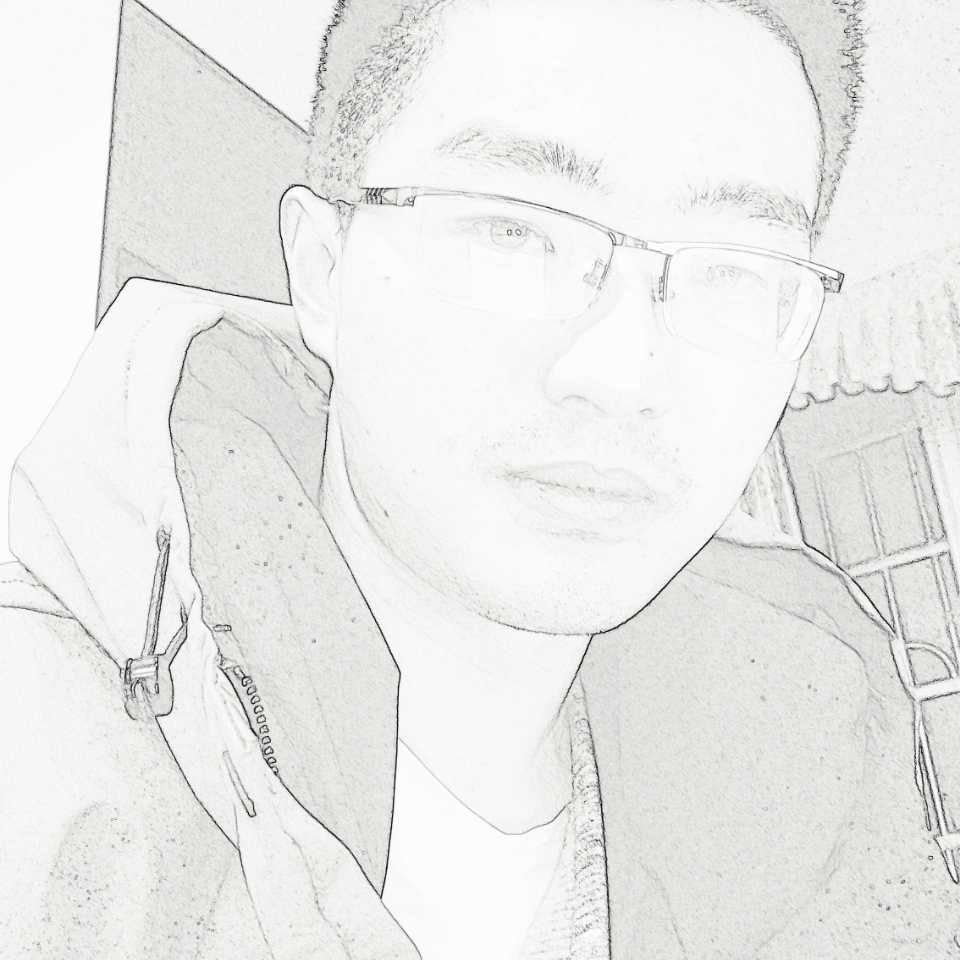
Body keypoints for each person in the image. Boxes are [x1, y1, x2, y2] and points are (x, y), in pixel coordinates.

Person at [3, 0, 957, 957]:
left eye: (736, 270)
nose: (622, 373)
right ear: (323, 272)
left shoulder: (817, 769)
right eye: (511, 231)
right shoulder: (43, 792)